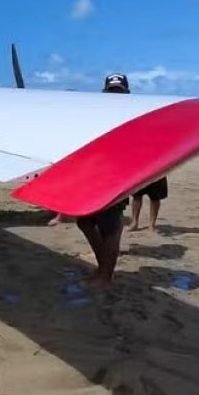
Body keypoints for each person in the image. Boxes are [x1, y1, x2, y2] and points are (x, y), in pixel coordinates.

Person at [75, 73, 132, 286]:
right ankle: (103, 268)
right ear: (105, 93)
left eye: (119, 91)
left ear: (126, 93)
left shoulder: (131, 116)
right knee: (85, 221)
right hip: (94, 176)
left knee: (111, 228)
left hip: (116, 179)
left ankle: (105, 275)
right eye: (111, 91)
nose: (115, 95)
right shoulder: (97, 115)